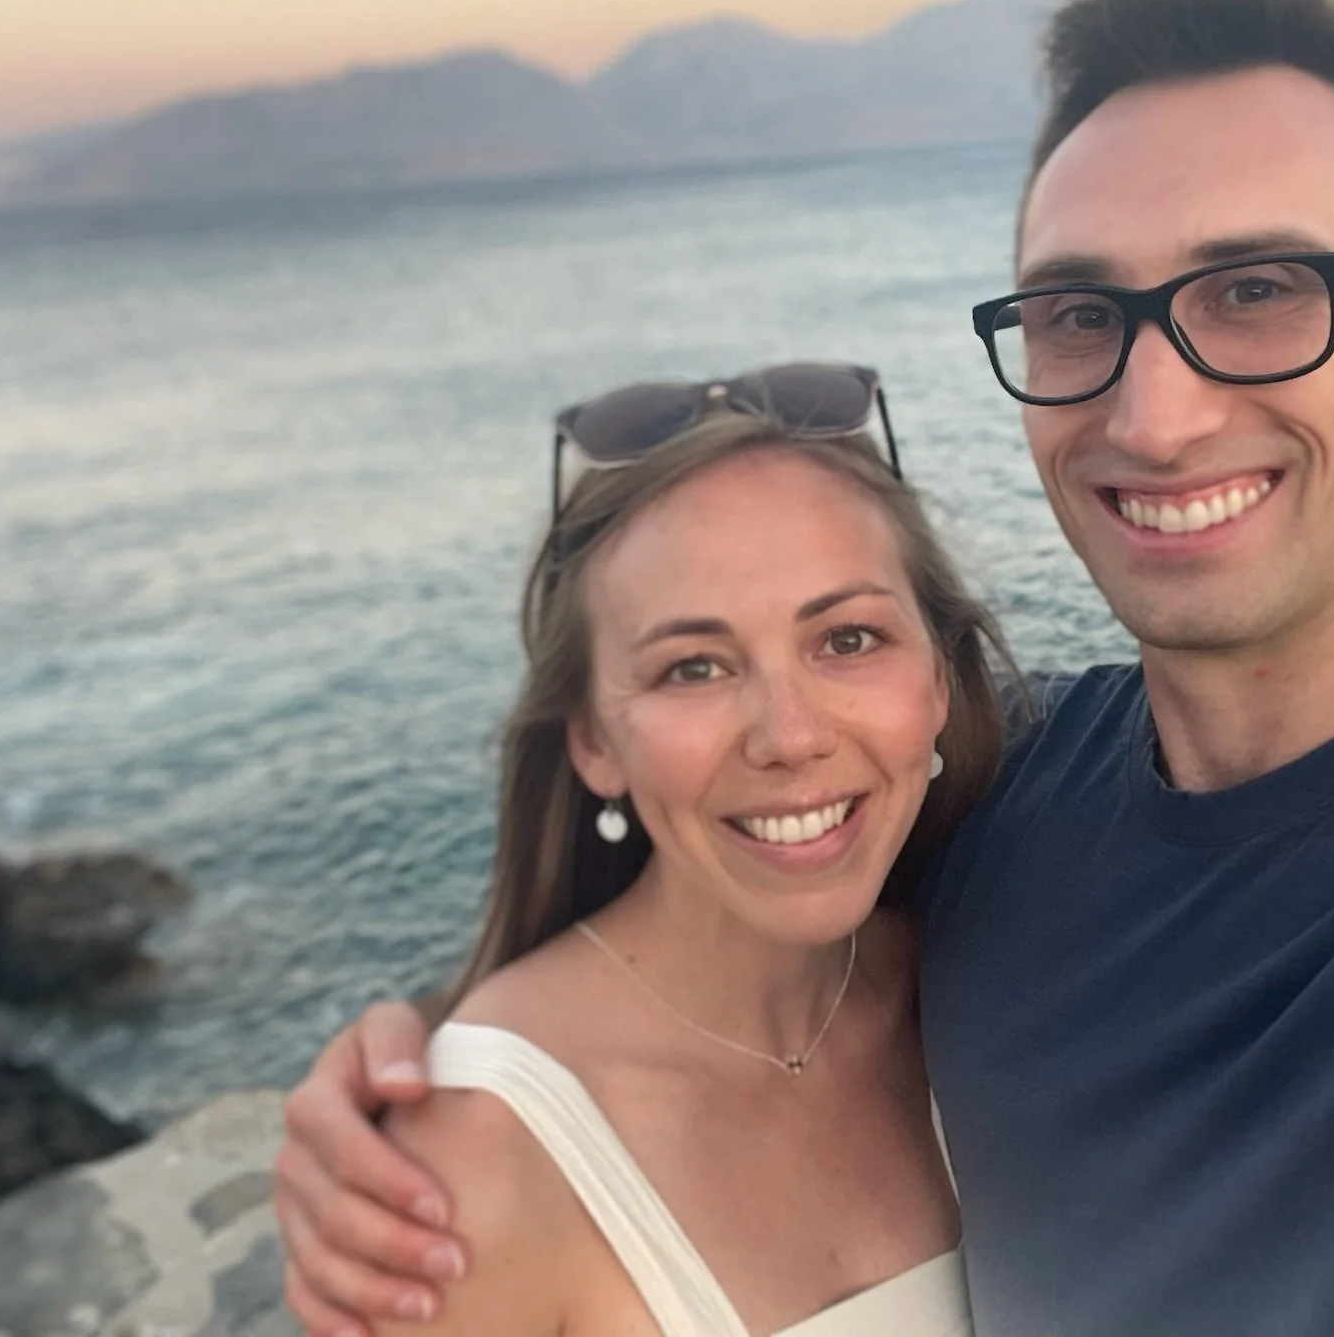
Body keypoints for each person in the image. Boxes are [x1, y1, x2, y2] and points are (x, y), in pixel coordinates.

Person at [275, 0, 1334, 1337]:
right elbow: (725, 901)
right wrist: (426, 1072)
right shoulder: (997, 802)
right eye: (1082, 313)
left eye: (1263, 291)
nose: (1153, 416)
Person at [291, 362, 1025, 1336]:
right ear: (592, 740)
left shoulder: (1002, 969)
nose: (790, 735)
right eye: (693, 666)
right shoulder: (474, 1168)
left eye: (846, 640)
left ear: (937, 679)